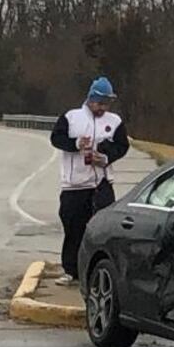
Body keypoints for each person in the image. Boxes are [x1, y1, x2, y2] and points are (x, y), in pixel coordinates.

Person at [49, 76, 130, 282]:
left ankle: (100, 271)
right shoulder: (71, 118)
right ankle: (71, 270)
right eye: (99, 103)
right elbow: (56, 139)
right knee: (74, 229)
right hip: (74, 185)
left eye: (106, 103)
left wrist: (105, 156)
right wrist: (75, 144)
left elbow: (122, 146)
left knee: (102, 230)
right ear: (90, 99)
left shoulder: (115, 122)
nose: (103, 107)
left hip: (101, 184)